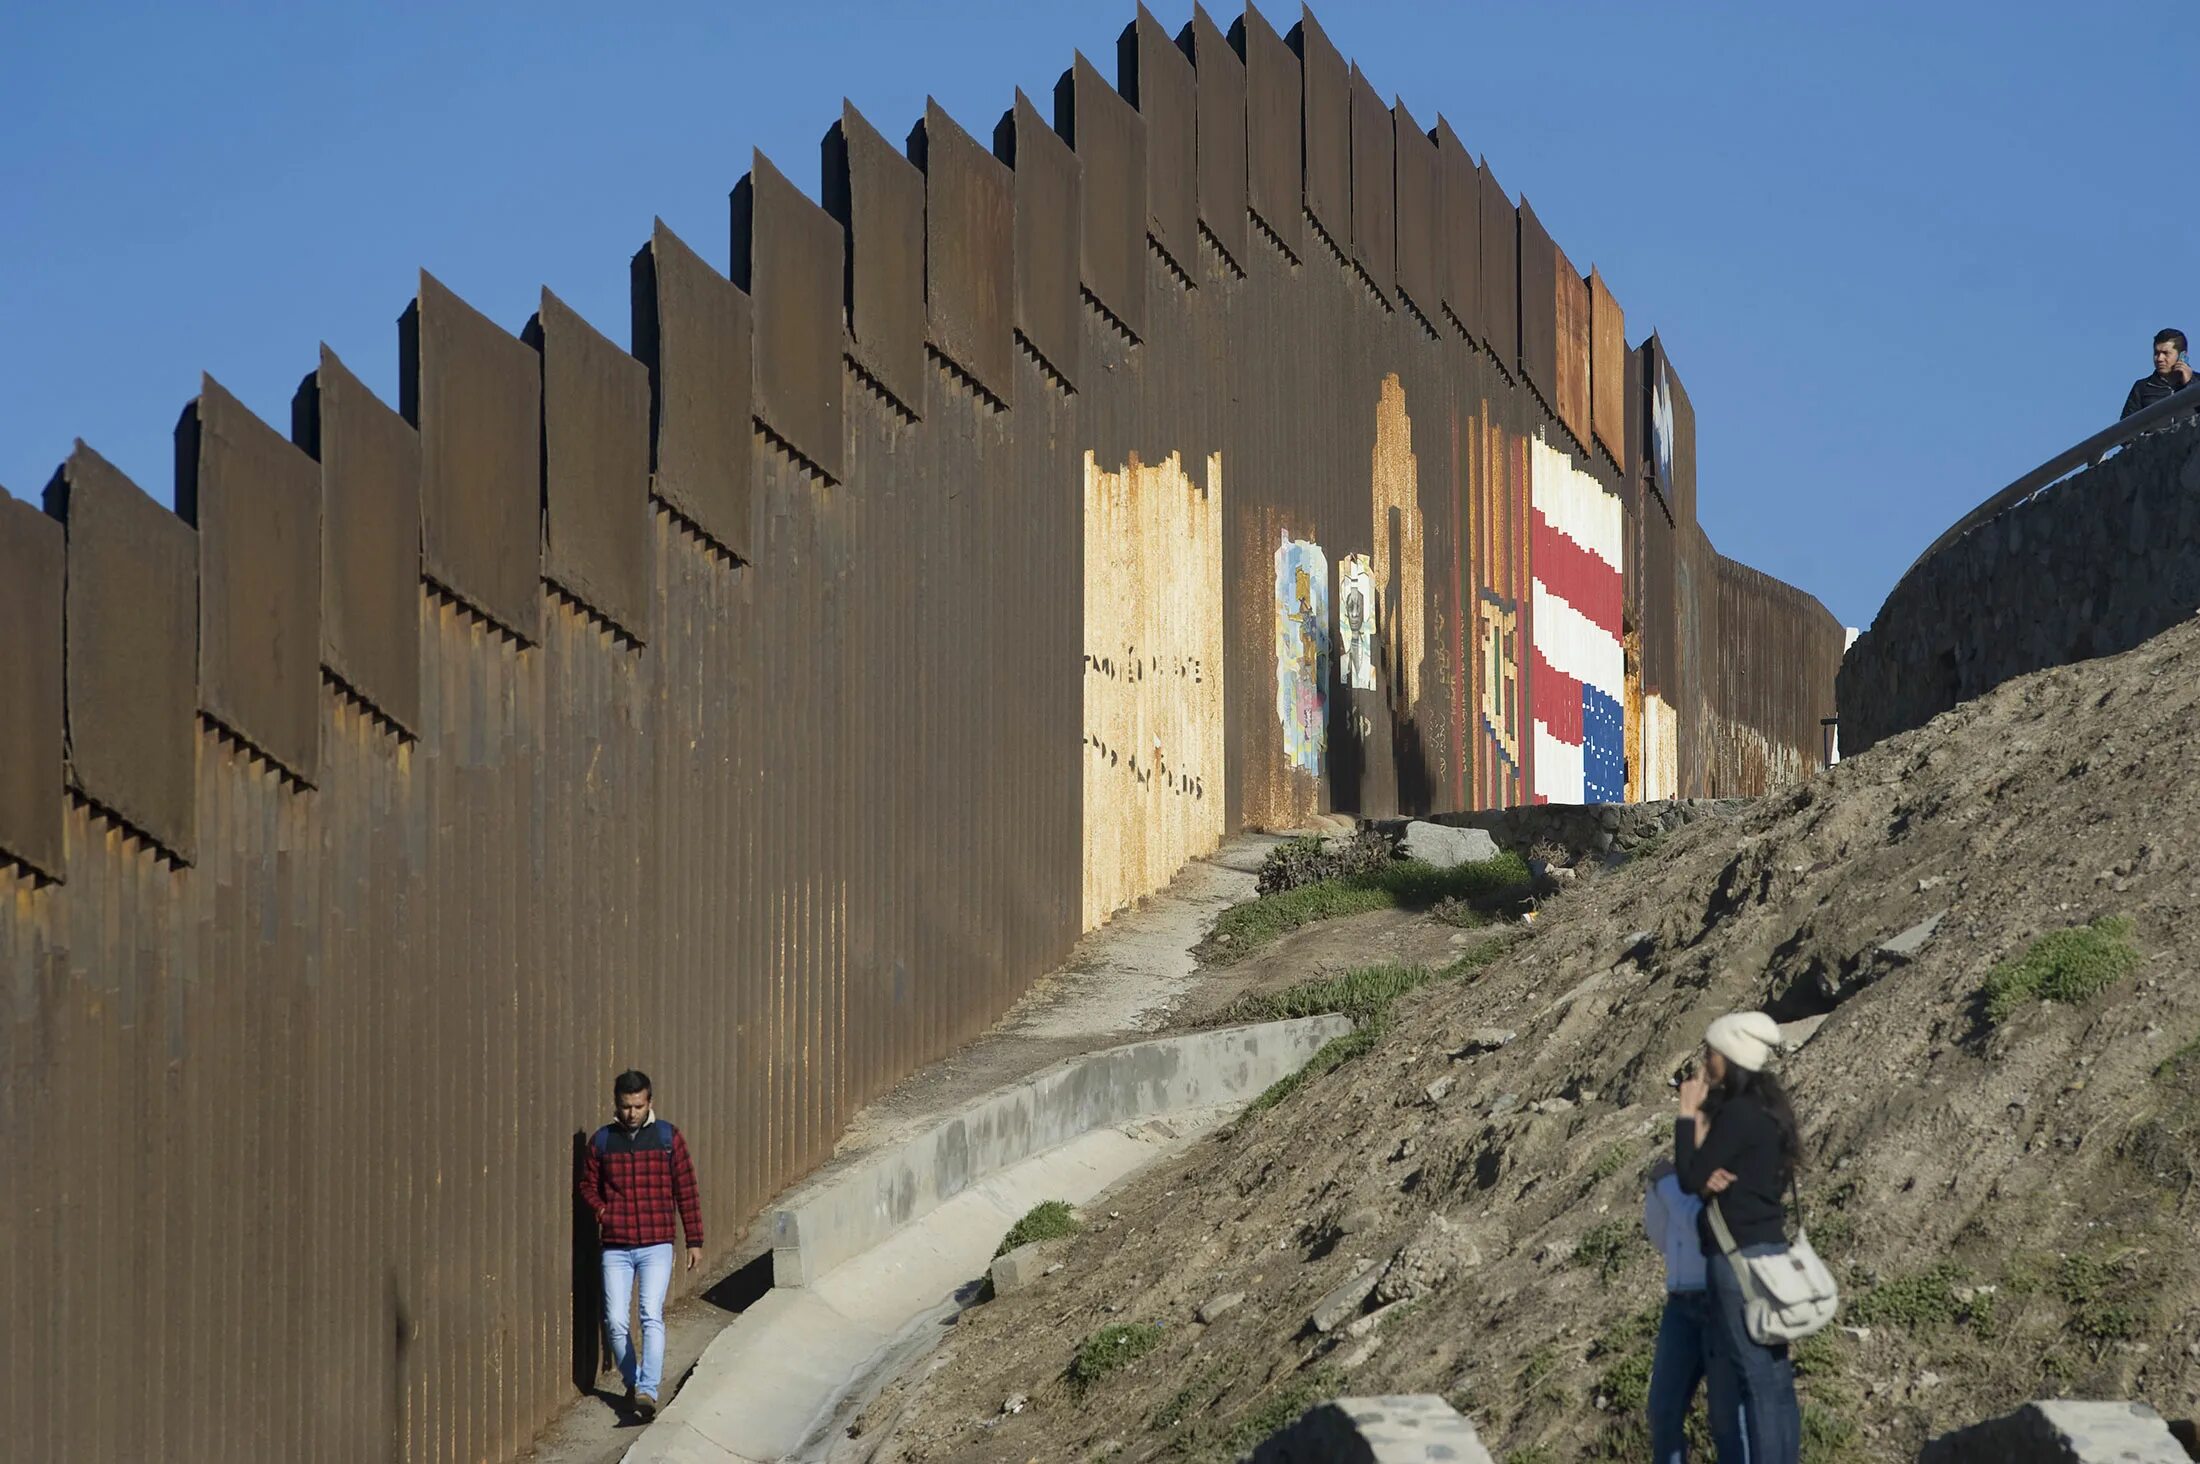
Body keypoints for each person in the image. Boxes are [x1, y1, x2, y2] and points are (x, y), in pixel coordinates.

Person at [1676, 1012, 1804, 1464]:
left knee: (1754, 1382)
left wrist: (1687, 1116)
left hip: (1736, 1258)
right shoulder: (1771, 1111)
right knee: (1776, 1380)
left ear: (1728, 1056)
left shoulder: (1735, 1115)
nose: (1706, 1062)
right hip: (1773, 1250)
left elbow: (1690, 1177)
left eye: (1710, 1053)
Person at [578, 1069, 704, 1421]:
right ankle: (634, 1383)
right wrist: (602, 1210)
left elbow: (687, 1190)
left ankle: (648, 1390)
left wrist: (694, 1240)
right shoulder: (602, 1142)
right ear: (616, 1104)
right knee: (616, 1320)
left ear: (649, 1102)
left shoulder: (667, 1138)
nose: (631, 1113)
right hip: (615, 1246)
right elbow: (587, 1185)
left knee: (651, 1315)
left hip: (656, 1244)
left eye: (637, 1105)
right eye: (625, 1106)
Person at [1643, 1157, 1745, 1462]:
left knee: (1728, 1420)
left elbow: (1702, 1226)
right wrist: (1658, 1192)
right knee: (1662, 1412)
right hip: (1680, 1301)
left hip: (1723, 1300)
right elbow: (1660, 1237)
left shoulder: (1735, 1161)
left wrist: (1665, 1185)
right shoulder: (1678, 1173)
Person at [2120, 329, 2199, 419]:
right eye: (2156, 353)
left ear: (2182, 356)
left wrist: (2191, 384)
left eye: (2166, 353)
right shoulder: (2142, 388)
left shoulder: (2198, 383)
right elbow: (2126, 428)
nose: (2159, 359)